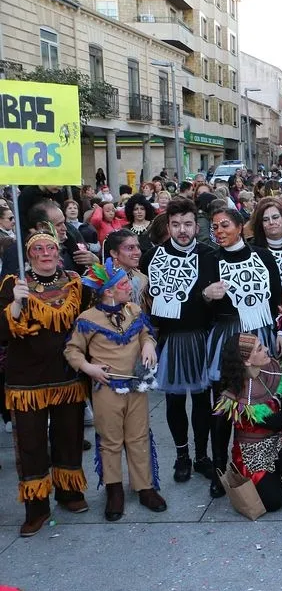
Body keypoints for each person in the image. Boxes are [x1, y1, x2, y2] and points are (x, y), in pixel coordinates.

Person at [0, 229, 88, 537]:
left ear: (58, 252)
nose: (45, 254)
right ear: (29, 255)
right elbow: (2, 332)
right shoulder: (13, 284)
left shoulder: (74, 282)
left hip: (66, 375)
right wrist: (15, 304)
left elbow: (90, 319)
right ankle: (36, 508)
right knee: (31, 444)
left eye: (50, 248)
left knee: (69, 436)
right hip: (27, 382)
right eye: (38, 249)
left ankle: (69, 493)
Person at [63, 258, 166, 521]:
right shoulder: (88, 318)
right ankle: (114, 490)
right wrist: (89, 368)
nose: (129, 287)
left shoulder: (133, 310)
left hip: (136, 386)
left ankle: (144, 487)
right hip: (107, 389)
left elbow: (146, 333)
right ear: (108, 291)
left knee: (139, 436)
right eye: (123, 285)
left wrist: (148, 344)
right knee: (110, 441)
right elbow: (72, 350)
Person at [203, 207, 282, 497]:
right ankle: (219, 468)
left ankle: (268, 454)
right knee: (225, 402)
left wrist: (281, 331)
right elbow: (201, 302)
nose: (219, 231)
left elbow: (276, 296)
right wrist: (206, 295)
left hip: (261, 331)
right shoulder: (210, 259)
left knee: (264, 393)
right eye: (215, 227)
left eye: (225, 225)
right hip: (229, 336)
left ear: (240, 226)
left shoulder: (263, 255)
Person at [141, 198, 217, 484]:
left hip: (201, 336)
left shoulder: (210, 255)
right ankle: (182, 456)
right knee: (174, 402)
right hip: (169, 338)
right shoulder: (152, 257)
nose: (182, 230)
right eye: (176, 224)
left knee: (202, 401)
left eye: (187, 224)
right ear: (168, 226)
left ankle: (201, 456)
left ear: (196, 226)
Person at [212, 333, 282, 512]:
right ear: (247, 361)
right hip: (252, 451)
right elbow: (273, 422)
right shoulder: (236, 394)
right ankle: (265, 477)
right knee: (274, 502)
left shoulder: (265, 371)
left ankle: (276, 471)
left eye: (262, 345)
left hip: (276, 440)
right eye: (259, 348)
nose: (266, 349)